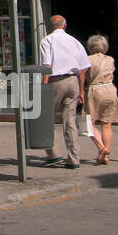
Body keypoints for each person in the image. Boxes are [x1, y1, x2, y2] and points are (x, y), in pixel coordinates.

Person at [38, 15, 90, 168]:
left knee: (47, 118)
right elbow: (82, 69)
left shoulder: (47, 40)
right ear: (65, 25)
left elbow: (47, 65)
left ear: (50, 26)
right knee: (70, 120)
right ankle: (74, 158)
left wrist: (44, 87)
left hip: (56, 81)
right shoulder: (75, 42)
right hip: (72, 81)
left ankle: (53, 154)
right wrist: (81, 91)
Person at [85, 35, 118, 165]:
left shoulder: (87, 60)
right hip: (110, 90)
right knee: (107, 125)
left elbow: (82, 75)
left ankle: (102, 148)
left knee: (89, 123)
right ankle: (106, 155)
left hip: (95, 91)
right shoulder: (110, 59)